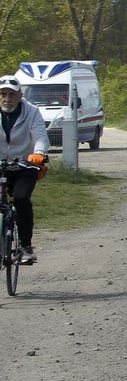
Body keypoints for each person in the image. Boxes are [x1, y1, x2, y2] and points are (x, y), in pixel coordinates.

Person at [0, 75, 49, 265]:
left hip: (25, 165)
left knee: (21, 199)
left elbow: (40, 136)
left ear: (20, 95)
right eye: (3, 94)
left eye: (12, 94)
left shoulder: (31, 111)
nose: (7, 98)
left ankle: (25, 247)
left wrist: (38, 153)